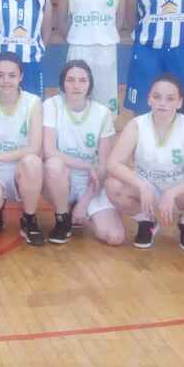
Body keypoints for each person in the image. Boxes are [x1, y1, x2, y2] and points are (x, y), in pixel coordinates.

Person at [106, 74, 184, 252]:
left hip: (179, 191)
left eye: (170, 98)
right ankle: (147, 221)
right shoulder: (136, 125)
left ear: (179, 103)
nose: (162, 103)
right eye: (157, 97)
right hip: (147, 189)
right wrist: (141, 185)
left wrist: (173, 192)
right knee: (113, 186)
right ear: (149, 99)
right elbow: (113, 164)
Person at [42, 59, 123, 246]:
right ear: (62, 83)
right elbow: (49, 151)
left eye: (82, 80)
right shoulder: (52, 105)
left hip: (91, 183)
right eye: (70, 80)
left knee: (115, 237)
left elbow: (103, 165)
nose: (76, 85)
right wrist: (86, 165)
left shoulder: (102, 113)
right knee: (53, 165)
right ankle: (63, 218)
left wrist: (85, 202)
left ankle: (81, 211)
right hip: (62, 179)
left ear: (90, 84)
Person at [0, 52, 44, 244]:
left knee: (33, 162)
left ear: (21, 76)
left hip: (23, 169)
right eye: (0, 75)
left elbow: (34, 147)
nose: (6, 81)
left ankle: (29, 219)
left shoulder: (33, 103)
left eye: (12, 75)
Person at [54, 0, 125, 115]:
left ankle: (105, 134)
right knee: (75, 99)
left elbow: (119, 20)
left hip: (106, 49)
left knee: (105, 103)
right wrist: (80, 36)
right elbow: (61, 23)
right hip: (79, 48)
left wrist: (103, 33)